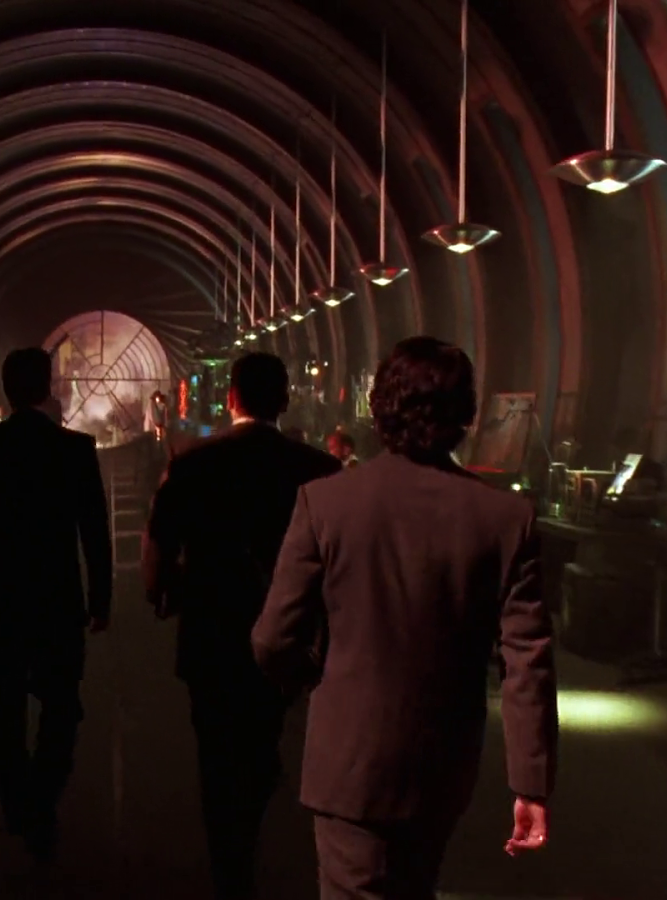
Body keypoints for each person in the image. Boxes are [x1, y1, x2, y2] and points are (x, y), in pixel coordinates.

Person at [252, 337, 557, 899]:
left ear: (379, 408)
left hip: (347, 762)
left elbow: (273, 639)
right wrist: (530, 784)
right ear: (466, 414)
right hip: (442, 767)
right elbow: (527, 661)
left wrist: (320, 680)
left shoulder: (325, 503)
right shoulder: (506, 518)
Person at [142, 352, 343, 899]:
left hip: (209, 631)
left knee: (214, 746)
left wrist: (159, 592)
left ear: (231, 398)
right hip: (287, 634)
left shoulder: (192, 464)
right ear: (285, 401)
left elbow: (159, 543)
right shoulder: (319, 470)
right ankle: (254, 804)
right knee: (263, 732)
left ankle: (228, 860)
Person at [0, 348, 113, 861]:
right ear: (48, 387)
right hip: (58, 600)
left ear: (6, 390)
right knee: (62, 705)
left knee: (3, 710)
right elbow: (95, 533)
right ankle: (43, 793)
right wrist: (101, 599)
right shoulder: (76, 449)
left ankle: (15, 801)